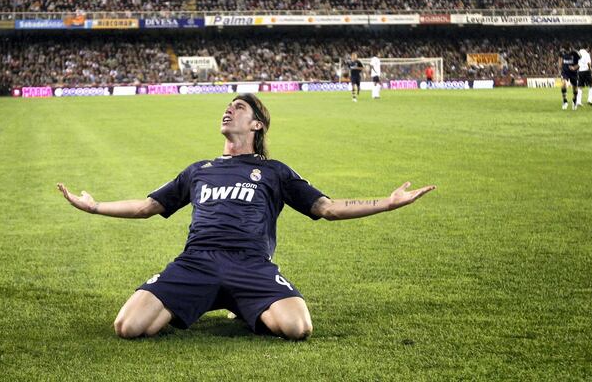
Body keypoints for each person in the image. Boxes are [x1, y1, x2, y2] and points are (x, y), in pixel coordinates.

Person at [57, 94, 436, 340]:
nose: (229, 110)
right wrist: (95, 206)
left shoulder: (274, 172)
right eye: (228, 107)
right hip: (197, 263)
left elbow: (326, 208)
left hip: (251, 265)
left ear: (257, 125)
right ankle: (208, 298)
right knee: (128, 327)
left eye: (239, 107)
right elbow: (147, 206)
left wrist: (387, 203)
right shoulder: (199, 169)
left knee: (297, 328)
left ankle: (240, 301)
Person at [559, 44, 581, 111]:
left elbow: (579, 64)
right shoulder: (562, 52)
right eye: (565, 50)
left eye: (567, 50)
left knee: (575, 88)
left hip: (573, 73)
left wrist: (574, 68)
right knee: (563, 84)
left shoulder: (575, 53)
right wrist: (560, 65)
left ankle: (574, 100)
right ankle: (565, 101)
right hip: (565, 72)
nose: (566, 52)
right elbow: (560, 60)